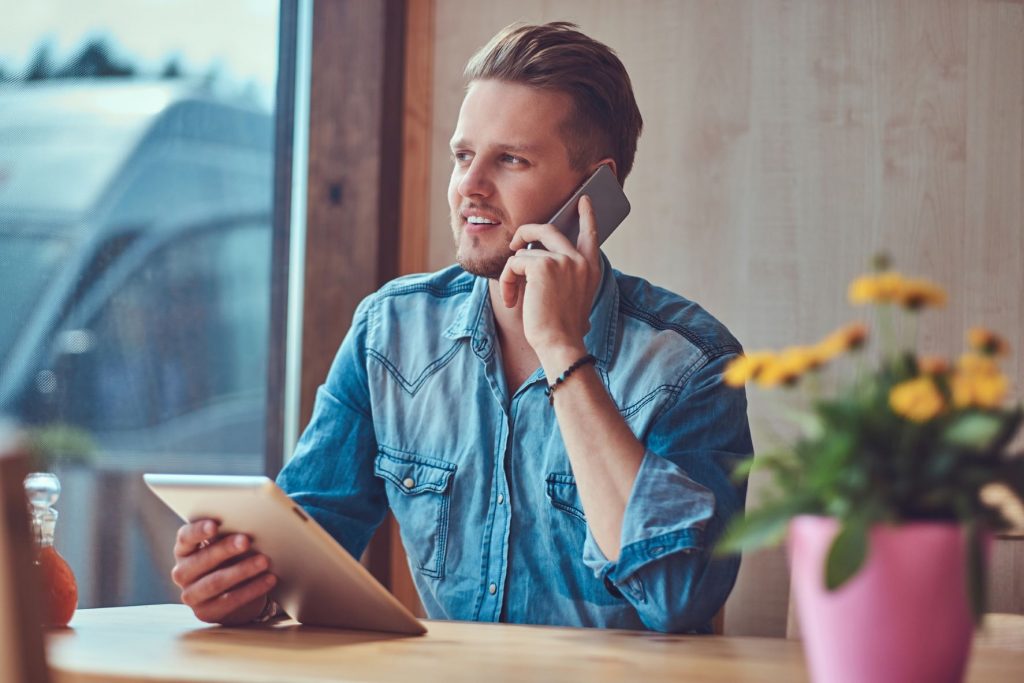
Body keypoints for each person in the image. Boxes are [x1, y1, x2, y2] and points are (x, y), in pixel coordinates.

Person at [170, 21, 753, 634]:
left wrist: (562, 349)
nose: (470, 187)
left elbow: (679, 596)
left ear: (592, 191)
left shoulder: (692, 365)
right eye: (463, 156)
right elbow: (305, 542)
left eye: (511, 159)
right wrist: (243, 586)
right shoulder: (390, 331)